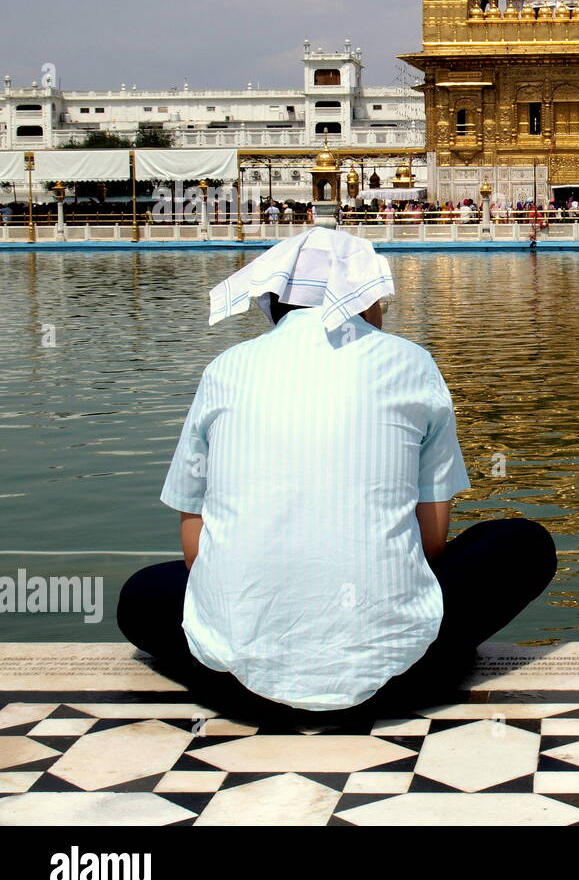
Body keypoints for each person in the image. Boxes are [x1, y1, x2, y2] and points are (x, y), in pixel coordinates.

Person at [117, 227, 556, 723]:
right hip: (399, 681)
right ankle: (417, 652)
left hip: (237, 687)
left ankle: (256, 667)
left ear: (273, 304)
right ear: (364, 303)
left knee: (140, 594)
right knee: (521, 542)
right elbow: (432, 543)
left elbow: (194, 543)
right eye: (381, 306)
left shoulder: (226, 367)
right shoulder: (411, 362)